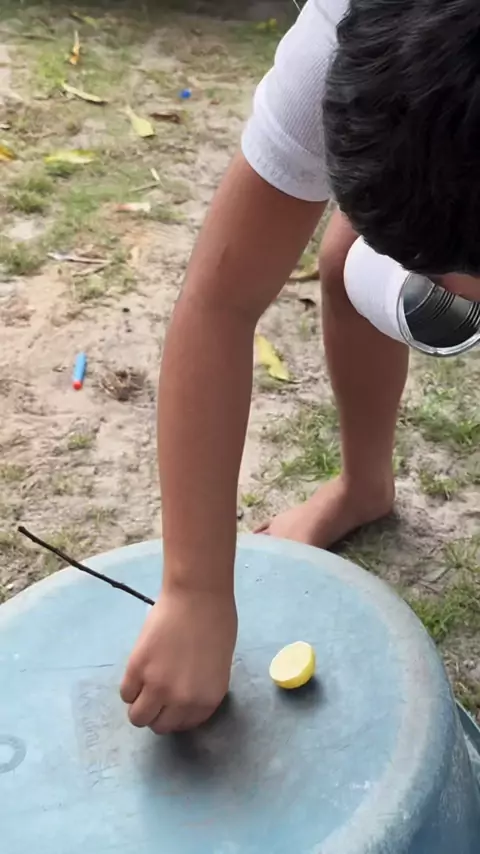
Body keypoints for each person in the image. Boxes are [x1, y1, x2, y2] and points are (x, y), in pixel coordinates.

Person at [120, 0, 480, 734]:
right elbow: (220, 301)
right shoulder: (338, 39)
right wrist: (194, 590)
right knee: (350, 262)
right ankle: (362, 486)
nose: (444, 288)